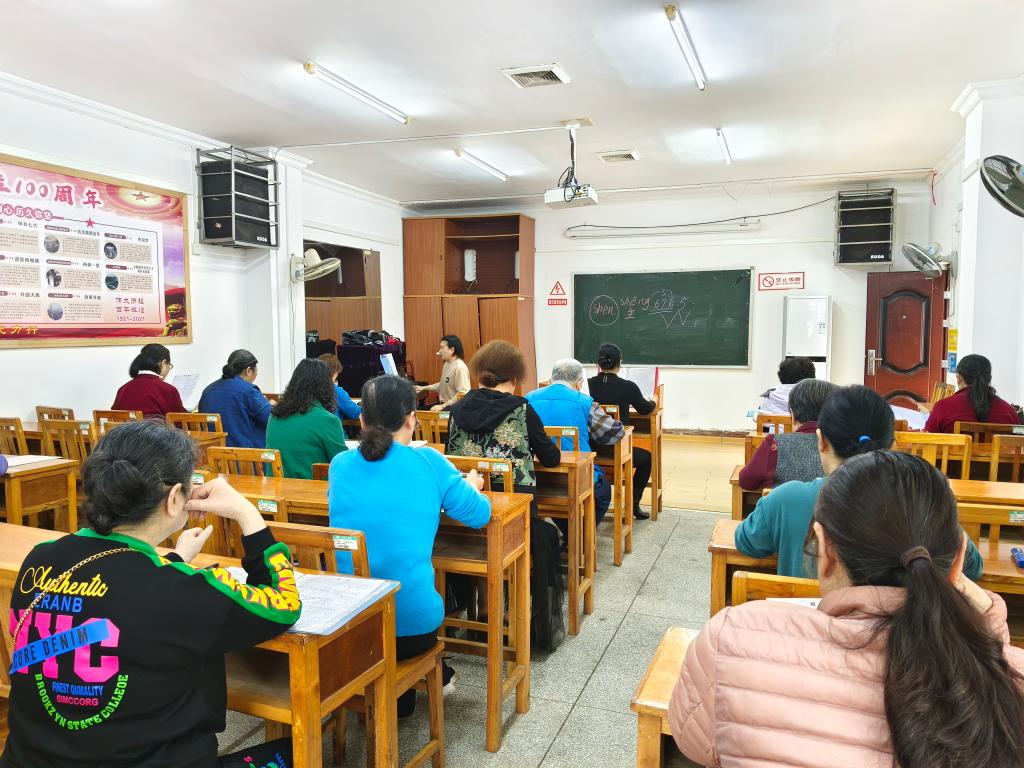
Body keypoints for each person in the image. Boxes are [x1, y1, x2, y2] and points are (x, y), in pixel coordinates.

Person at [669, 450, 1024, 768]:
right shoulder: (1009, 679)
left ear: (825, 550)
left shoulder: (734, 637)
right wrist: (985, 614)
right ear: (958, 559)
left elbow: (689, 741)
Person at [0, 421, 301, 768]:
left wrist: (175, 560)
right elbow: (283, 604)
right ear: (174, 498)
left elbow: (118, 591)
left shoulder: (39, 559)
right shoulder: (181, 591)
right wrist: (246, 512)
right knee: (293, 753)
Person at [327, 375, 491, 716]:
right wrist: (472, 486)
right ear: (411, 419)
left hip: (347, 625)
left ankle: (393, 695)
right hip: (410, 627)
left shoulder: (340, 464)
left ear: (361, 420)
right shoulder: (429, 462)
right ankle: (416, 685)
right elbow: (479, 515)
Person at [735, 384, 984, 580]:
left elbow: (746, 542)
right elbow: (972, 565)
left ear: (821, 441)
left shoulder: (787, 498)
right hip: (896, 629)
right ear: (892, 444)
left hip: (804, 625)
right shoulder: (921, 499)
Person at [447, 340, 564, 650]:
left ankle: (486, 608)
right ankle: (515, 613)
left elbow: (452, 460)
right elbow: (551, 458)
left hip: (466, 517)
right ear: (514, 376)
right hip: (514, 520)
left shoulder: (457, 409)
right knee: (544, 536)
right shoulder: (521, 409)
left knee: (482, 537)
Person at [526, 358, 623, 533]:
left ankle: (569, 533)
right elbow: (610, 434)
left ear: (551, 379)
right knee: (603, 491)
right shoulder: (584, 401)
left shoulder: (529, 398)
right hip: (576, 476)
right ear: (579, 383)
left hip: (537, 474)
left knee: (558, 493)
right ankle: (580, 535)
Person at [587, 343, 655, 520]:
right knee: (647, 458)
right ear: (619, 363)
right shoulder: (628, 386)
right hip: (617, 448)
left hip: (590, 447)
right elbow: (645, 409)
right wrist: (653, 401)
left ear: (599, 363)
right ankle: (633, 505)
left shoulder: (586, 385)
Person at [738, 378, 838, 491]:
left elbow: (746, 482)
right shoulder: (846, 446)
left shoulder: (774, 444)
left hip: (783, 503)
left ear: (792, 415)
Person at [265, 358, 347, 478]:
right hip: (313, 487)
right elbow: (342, 464)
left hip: (276, 486)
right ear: (326, 386)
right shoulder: (328, 420)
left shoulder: (274, 416)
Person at [924, 354, 1020, 432]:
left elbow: (926, 440)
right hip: (997, 451)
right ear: (988, 379)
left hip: (954, 452)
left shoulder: (943, 407)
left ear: (959, 378)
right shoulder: (1009, 412)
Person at [196, 349, 271, 449]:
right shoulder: (248, 390)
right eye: (256, 372)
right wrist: (269, 404)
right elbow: (270, 420)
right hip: (244, 455)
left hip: (212, 453)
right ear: (248, 370)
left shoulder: (208, 390)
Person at [112, 343, 185, 419]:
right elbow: (181, 421)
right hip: (153, 427)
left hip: (125, 427)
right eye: (169, 365)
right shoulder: (168, 390)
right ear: (163, 363)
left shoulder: (122, 389)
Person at [415, 335, 470, 411]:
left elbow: (462, 394)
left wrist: (442, 406)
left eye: (442, 348)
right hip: (445, 404)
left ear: (452, 350)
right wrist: (423, 388)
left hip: (454, 408)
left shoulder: (459, 367)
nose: (439, 351)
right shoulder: (446, 364)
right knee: (418, 411)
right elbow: (443, 385)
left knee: (421, 414)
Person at [317, 352, 362, 421]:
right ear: (334, 372)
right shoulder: (336, 391)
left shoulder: (308, 389)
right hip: (332, 427)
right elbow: (355, 413)